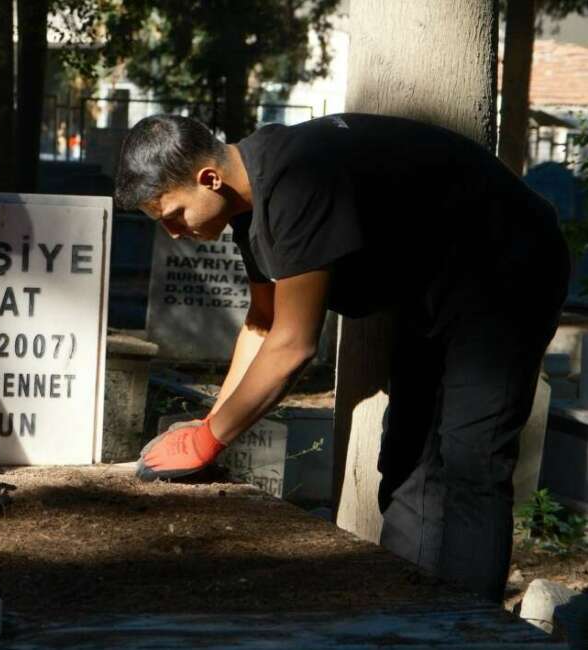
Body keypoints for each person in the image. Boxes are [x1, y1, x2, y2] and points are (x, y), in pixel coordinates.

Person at [116, 113, 568, 602]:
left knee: (472, 461)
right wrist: (209, 425)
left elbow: (293, 344)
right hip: (432, 289)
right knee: (407, 457)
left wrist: (210, 440)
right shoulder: (248, 200)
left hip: (507, 272)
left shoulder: (295, 182)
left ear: (209, 179)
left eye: (174, 215)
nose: (174, 232)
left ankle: (468, 625)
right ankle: (402, 611)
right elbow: (263, 322)